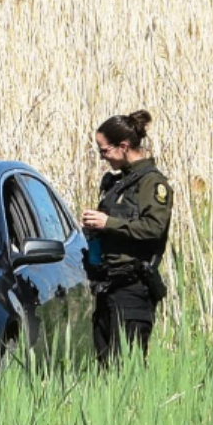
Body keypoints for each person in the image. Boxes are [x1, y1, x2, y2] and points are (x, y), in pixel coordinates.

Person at [79, 109, 171, 363]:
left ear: (123, 146)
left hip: (133, 288)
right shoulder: (118, 184)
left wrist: (108, 222)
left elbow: (154, 227)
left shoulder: (152, 183)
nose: (102, 157)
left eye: (104, 151)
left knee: (126, 365)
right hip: (107, 287)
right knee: (105, 366)